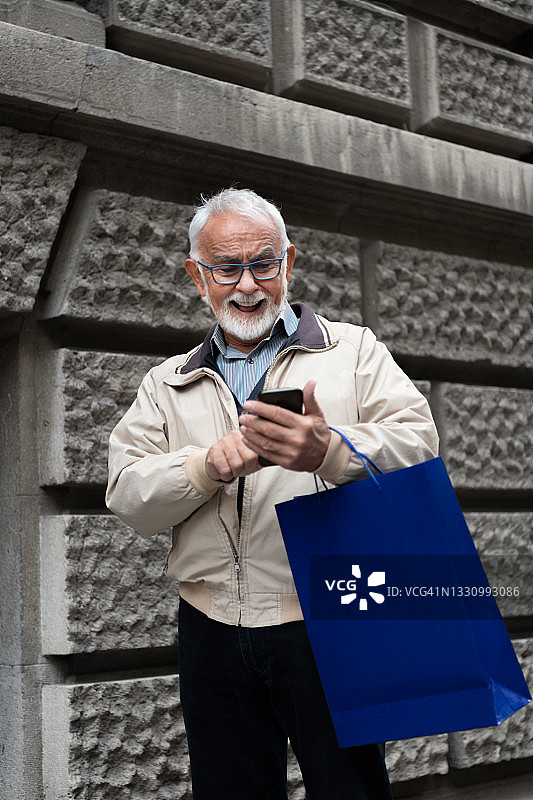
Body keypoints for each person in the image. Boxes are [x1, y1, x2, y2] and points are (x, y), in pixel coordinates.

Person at [106, 188, 439, 799]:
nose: (248, 285)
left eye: (263, 263)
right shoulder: (166, 382)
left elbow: (419, 444)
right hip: (209, 627)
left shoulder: (354, 351)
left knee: (350, 791)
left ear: (288, 261)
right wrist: (205, 465)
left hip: (327, 613)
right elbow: (126, 493)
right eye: (227, 268)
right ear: (196, 277)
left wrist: (330, 450)